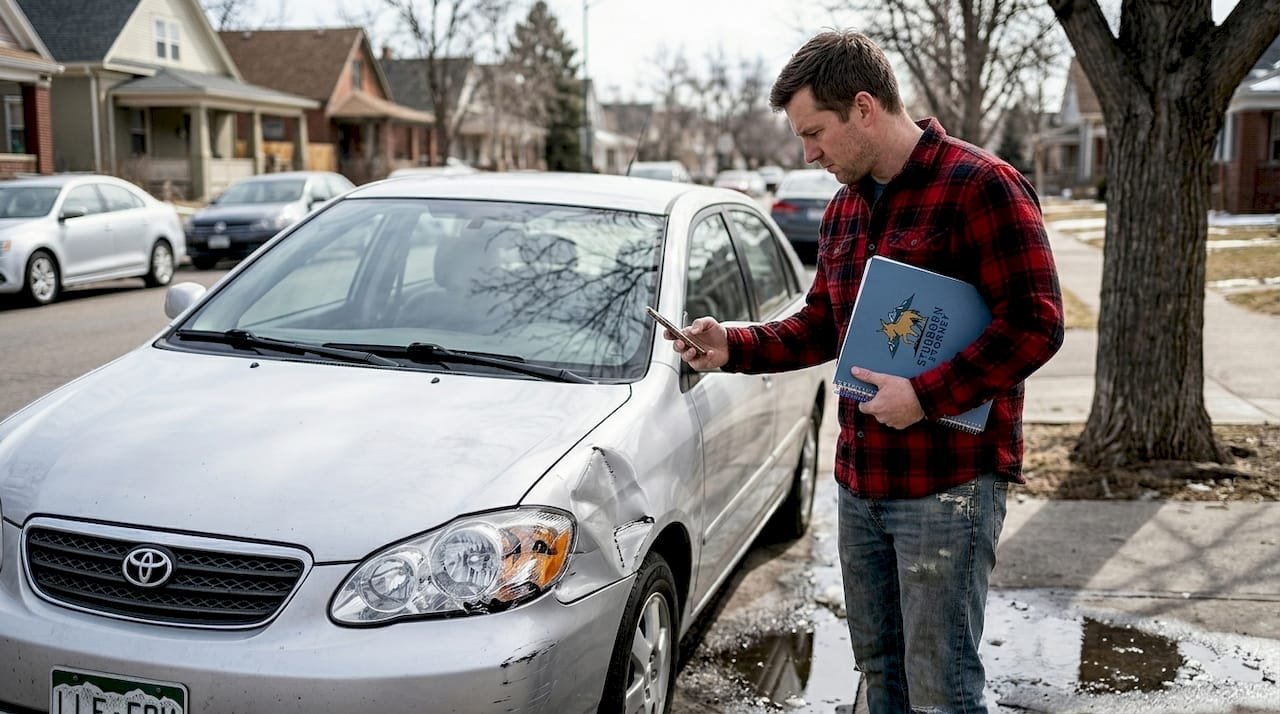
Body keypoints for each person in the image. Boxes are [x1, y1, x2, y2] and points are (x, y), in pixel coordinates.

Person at [661, 30, 1064, 714]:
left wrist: (928, 395)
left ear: (865, 108)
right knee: (880, 674)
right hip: (859, 482)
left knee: (942, 688)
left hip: (950, 486)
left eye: (815, 132)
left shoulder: (980, 186)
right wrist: (731, 345)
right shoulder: (846, 208)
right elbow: (823, 322)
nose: (807, 153)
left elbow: (1037, 321)